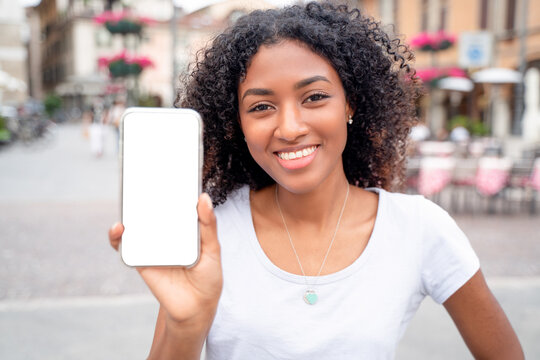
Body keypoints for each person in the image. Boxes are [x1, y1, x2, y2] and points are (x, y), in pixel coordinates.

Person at [109, 3, 523, 359]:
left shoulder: (419, 229)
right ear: (237, 123)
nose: (289, 127)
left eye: (315, 97)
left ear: (351, 103)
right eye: (262, 106)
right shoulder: (207, 238)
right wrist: (186, 323)